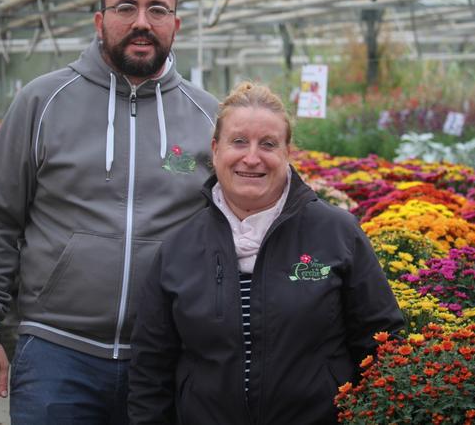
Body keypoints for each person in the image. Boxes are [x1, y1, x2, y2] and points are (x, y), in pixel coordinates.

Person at [0, 0, 219, 424]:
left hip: (167, 355)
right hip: (57, 352)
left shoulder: (209, 116)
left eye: (157, 10)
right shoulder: (42, 101)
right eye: (126, 8)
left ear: (176, 24)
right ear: (100, 21)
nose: (142, 22)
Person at [127, 82, 404, 425]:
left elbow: (381, 343)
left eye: (268, 144)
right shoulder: (179, 248)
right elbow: (150, 367)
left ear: (288, 152)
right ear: (215, 150)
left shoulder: (337, 232)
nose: (252, 157)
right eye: (239, 141)